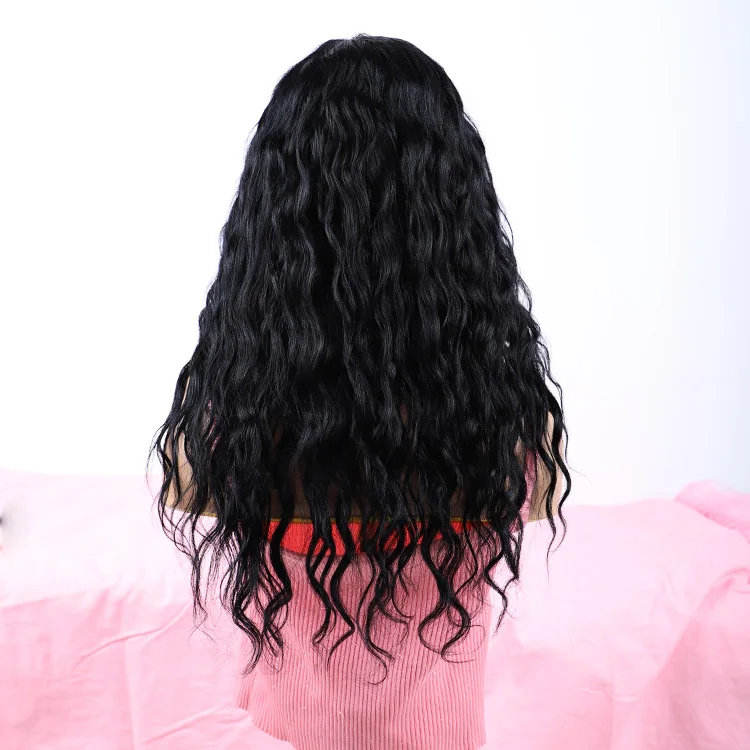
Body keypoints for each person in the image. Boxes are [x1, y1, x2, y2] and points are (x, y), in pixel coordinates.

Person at [147, 34, 569, 750]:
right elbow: (540, 495)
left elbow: (184, 486)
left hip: (287, 732)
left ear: (273, 214)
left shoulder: (234, 430)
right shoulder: (503, 428)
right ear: (454, 209)